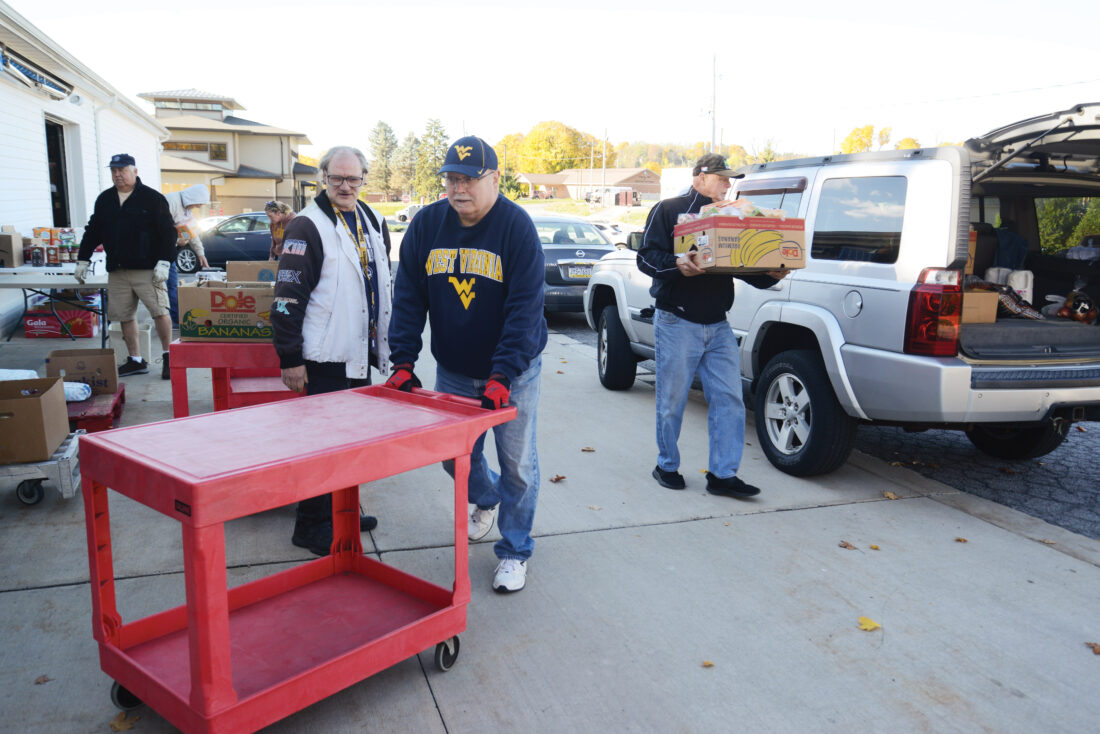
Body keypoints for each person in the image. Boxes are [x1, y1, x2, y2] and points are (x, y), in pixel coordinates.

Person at [385, 135, 547, 594]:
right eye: (451, 179)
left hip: (514, 372)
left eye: (469, 179)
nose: (458, 188)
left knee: (518, 465)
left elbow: (524, 309)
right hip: (454, 368)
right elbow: (409, 296)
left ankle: (514, 550)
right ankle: (487, 497)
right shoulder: (426, 225)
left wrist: (503, 374)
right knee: (454, 458)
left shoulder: (516, 228)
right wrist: (403, 360)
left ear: (494, 178)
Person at [636, 152, 788, 498]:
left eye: (729, 179)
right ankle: (666, 465)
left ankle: (722, 475)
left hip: (718, 324)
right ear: (699, 177)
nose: (727, 184)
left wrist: (771, 275)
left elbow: (740, 265)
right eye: (721, 178)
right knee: (672, 401)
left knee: (730, 400)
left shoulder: (730, 217)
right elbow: (646, 257)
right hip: (677, 320)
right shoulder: (669, 210)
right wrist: (678, 263)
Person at [271, 146, 391, 556]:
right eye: (337, 178)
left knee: (351, 441)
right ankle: (311, 525)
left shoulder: (372, 219)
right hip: (324, 356)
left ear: (363, 179)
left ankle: (343, 512)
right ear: (323, 177)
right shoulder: (306, 225)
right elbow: (287, 297)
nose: (345, 186)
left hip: (358, 351)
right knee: (321, 446)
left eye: (353, 178)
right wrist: (290, 357)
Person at [75, 153, 176, 380]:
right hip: (118, 270)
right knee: (124, 316)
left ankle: (170, 358)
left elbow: (169, 232)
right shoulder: (105, 199)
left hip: (148, 270)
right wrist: (83, 259)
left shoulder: (152, 198)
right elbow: (93, 231)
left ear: (135, 171)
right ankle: (136, 360)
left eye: (122, 170)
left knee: (160, 312)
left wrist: (165, 261)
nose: (117, 174)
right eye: (113, 170)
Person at [164, 184, 211, 325]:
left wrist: (201, 254)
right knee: (162, 289)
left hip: (169, 253)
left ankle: (176, 320)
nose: (198, 207)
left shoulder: (187, 210)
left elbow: (191, 233)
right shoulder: (171, 202)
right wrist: (177, 241)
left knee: (172, 286)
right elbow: (158, 230)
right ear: (193, 198)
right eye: (199, 204)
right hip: (158, 254)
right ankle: (166, 321)